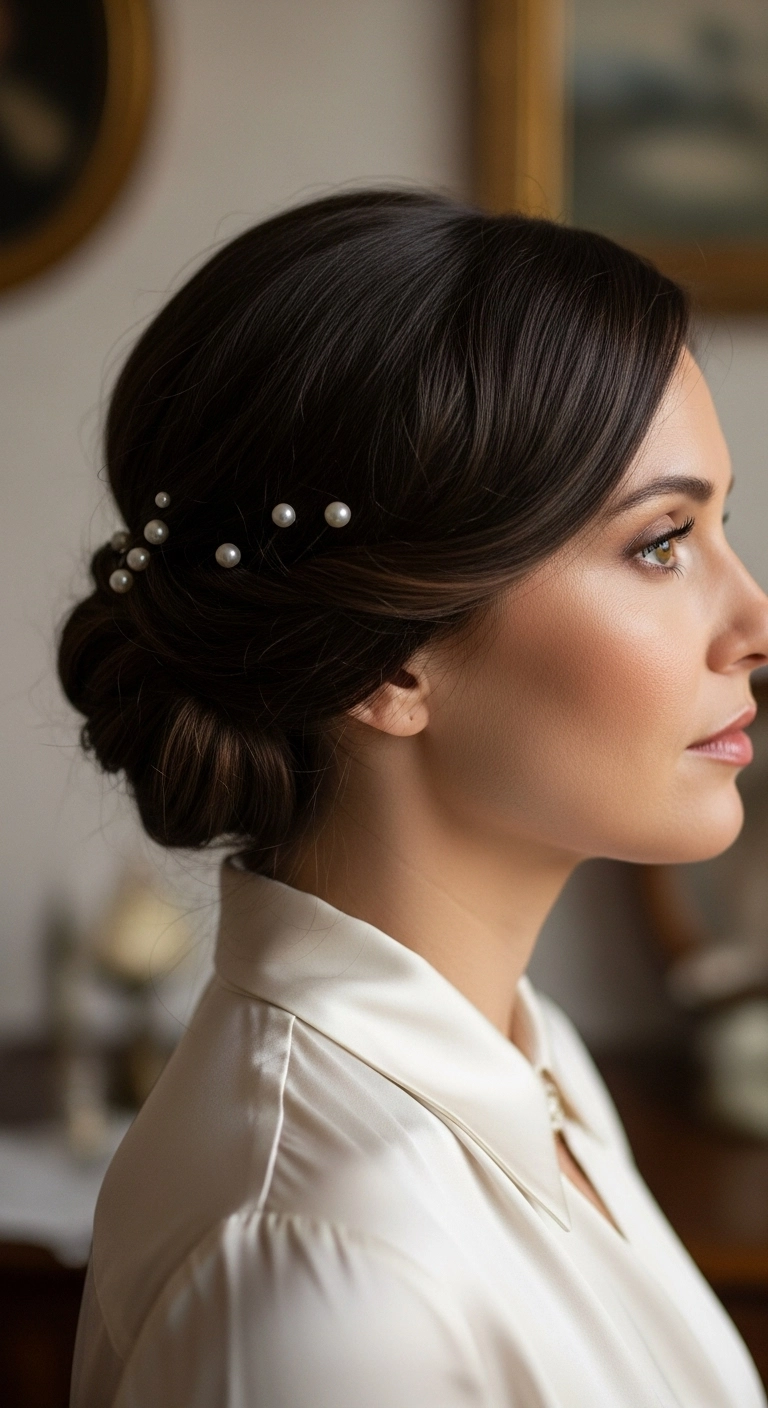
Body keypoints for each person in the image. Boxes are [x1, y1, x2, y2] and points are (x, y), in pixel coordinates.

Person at [59, 191, 768, 1407]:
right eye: (662, 542)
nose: (753, 619)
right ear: (389, 661)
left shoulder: (524, 1057)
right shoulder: (320, 1281)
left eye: (721, 527)